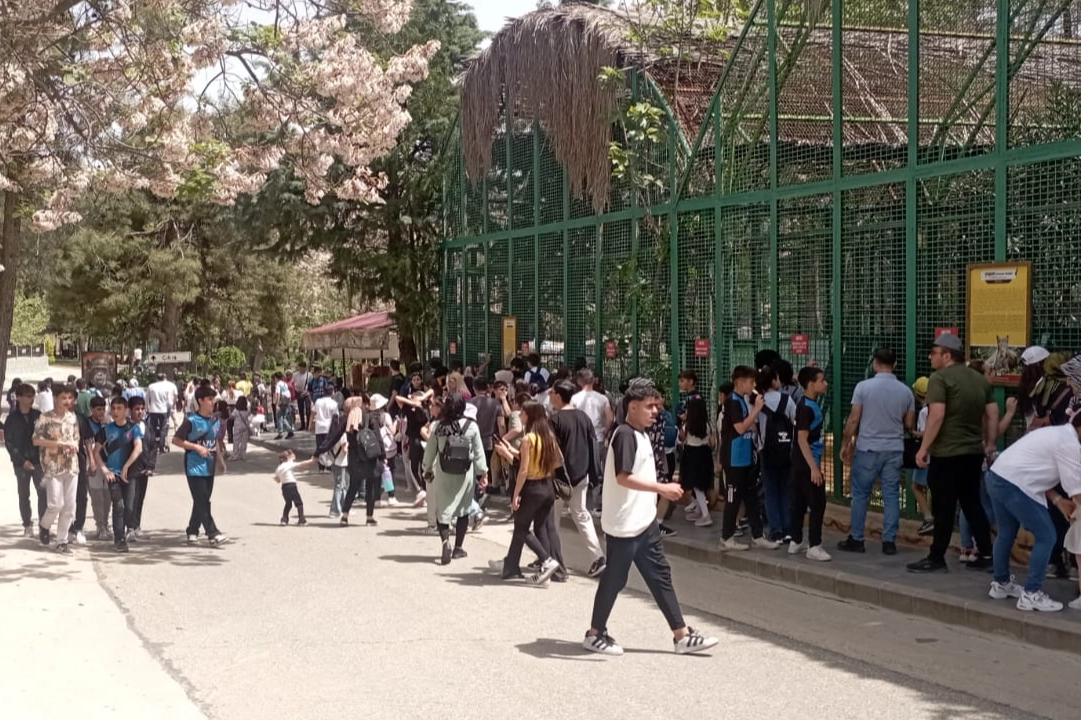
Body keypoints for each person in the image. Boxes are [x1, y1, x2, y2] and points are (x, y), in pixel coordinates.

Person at [583, 381, 719, 656]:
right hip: (624, 525)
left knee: (661, 576)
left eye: (657, 405)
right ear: (632, 407)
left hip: (644, 524)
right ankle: (594, 634)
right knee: (614, 579)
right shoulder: (625, 435)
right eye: (650, 406)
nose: (656, 411)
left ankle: (681, 635)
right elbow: (623, 477)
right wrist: (662, 488)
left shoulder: (641, 434)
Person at [908, 332, 996, 573]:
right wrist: (989, 442)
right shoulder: (979, 379)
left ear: (947, 355)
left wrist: (923, 448)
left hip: (946, 453)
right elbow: (992, 412)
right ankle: (986, 553)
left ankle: (936, 557)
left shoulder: (940, 378)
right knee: (972, 504)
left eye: (934, 353)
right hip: (973, 452)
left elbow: (936, 415)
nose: (930, 357)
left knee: (943, 507)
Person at [984, 416, 1081, 612]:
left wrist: (1058, 501)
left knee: (1006, 531)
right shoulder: (1069, 444)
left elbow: (1037, 471)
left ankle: (1001, 584)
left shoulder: (1056, 434)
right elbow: (1076, 491)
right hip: (1014, 485)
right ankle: (1031, 594)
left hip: (996, 476)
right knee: (1047, 536)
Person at [839, 348, 916, 556]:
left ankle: (857, 538)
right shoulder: (906, 391)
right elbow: (909, 424)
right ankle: (889, 542)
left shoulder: (863, 388)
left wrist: (845, 444)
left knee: (860, 494)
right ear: (896, 364)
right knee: (891, 494)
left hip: (868, 448)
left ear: (874, 363)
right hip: (894, 449)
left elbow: (854, 420)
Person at [490, 400, 563, 583]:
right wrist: (512, 451)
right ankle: (517, 566)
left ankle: (546, 560)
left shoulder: (527, 439)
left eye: (522, 412)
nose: (519, 415)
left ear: (529, 415)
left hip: (532, 487)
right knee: (541, 527)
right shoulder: (548, 436)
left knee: (521, 526)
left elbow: (523, 470)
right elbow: (558, 461)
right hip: (547, 485)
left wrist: (515, 495)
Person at [422, 393, 488, 564]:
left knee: (443, 510)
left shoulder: (438, 426)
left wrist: (427, 468)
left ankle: (445, 543)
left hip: (443, 473)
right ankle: (458, 548)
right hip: (465, 474)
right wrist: (483, 474)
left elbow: (430, 452)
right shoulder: (472, 426)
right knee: (463, 510)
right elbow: (479, 454)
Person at [719, 366, 779, 551]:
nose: (753, 385)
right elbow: (739, 428)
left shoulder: (742, 401)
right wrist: (756, 411)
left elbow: (746, 424)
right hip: (734, 458)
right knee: (733, 498)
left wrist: (753, 423)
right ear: (741, 382)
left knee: (751, 497)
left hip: (745, 457)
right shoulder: (733, 402)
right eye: (751, 382)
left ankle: (757, 535)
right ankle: (726, 536)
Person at [550, 380, 604, 577]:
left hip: (559, 478)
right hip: (581, 475)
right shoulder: (584, 418)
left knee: (552, 518)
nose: (549, 396)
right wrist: (593, 472)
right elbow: (593, 445)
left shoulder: (555, 421)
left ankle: (551, 558)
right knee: (581, 515)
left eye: (552, 393)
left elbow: (552, 451)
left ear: (558, 395)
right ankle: (598, 557)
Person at [173, 386, 228, 545]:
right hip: (194, 466)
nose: (212, 402)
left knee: (202, 500)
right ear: (200, 401)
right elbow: (176, 440)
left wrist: (220, 460)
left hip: (209, 467)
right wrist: (196, 447)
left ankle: (192, 529)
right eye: (209, 399)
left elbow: (215, 442)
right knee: (203, 500)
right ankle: (213, 533)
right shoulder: (191, 421)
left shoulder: (215, 421)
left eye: (213, 399)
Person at [788, 366, 832, 562]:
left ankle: (795, 541)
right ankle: (814, 545)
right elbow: (802, 439)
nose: (825, 383)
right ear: (810, 384)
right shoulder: (806, 407)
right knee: (818, 503)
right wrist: (814, 467)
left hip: (801, 462)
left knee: (800, 502)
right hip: (807, 462)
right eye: (821, 380)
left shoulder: (809, 404)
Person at [32, 384, 81, 555]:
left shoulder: (73, 417)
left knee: (69, 506)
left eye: (70, 398)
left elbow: (76, 438)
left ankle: (62, 541)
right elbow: (36, 440)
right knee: (55, 503)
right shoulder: (45, 418)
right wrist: (59, 444)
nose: (67, 401)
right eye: (63, 398)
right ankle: (44, 525)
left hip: (71, 465)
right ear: (56, 398)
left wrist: (73, 446)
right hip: (52, 465)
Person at [96, 396, 144, 552]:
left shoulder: (134, 428)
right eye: (113, 408)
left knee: (129, 508)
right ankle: (119, 539)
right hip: (113, 474)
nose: (116, 412)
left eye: (119, 408)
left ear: (126, 410)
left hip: (130, 474)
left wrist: (127, 466)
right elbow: (95, 451)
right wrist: (104, 469)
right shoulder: (106, 430)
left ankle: (128, 529)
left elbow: (138, 448)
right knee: (119, 506)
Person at [5, 383, 44, 538]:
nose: (31, 399)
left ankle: (43, 524)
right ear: (19, 397)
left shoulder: (38, 415)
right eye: (27, 396)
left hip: (38, 461)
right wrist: (21, 461)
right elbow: (9, 443)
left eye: (32, 395)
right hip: (21, 464)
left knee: (43, 493)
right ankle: (27, 523)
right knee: (24, 494)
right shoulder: (12, 419)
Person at [127, 396, 156, 540]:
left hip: (144, 469)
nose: (140, 412)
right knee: (130, 499)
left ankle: (137, 526)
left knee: (140, 499)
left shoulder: (147, 426)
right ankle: (129, 528)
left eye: (142, 408)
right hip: (131, 470)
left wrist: (151, 466)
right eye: (136, 409)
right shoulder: (127, 426)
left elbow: (152, 448)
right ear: (130, 410)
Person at [274, 450, 314, 525]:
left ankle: (284, 519)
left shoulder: (278, 468)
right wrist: (311, 460)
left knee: (288, 503)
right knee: (299, 503)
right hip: (292, 486)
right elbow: (302, 464)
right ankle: (301, 520)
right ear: (287, 458)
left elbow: (277, 480)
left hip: (284, 487)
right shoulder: (289, 464)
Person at [146, 373, 178, 454]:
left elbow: (147, 399)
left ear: (156, 378)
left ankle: (152, 445)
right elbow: (168, 401)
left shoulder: (151, 386)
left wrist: (147, 409)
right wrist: (169, 410)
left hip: (153, 410)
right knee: (163, 429)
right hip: (163, 410)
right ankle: (161, 446)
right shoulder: (166, 387)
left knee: (152, 428)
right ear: (164, 378)